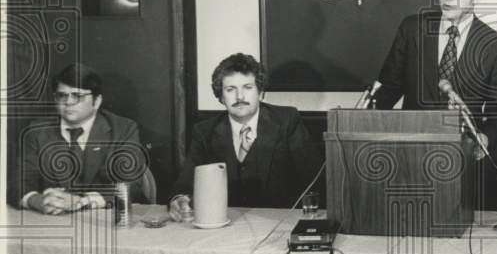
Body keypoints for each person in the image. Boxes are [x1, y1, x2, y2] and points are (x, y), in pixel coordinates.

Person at [373, 0, 497, 161]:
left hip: (461, 157)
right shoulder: (412, 29)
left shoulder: (494, 45)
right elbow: (387, 91)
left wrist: (485, 137)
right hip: (409, 153)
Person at [169, 53, 320, 215]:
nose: (239, 96)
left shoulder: (287, 121)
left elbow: (314, 181)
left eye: (247, 88)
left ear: (260, 92)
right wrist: (178, 199)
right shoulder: (204, 131)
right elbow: (186, 180)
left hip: (279, 223)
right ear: (220, 97)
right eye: (230, 89)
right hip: (226, 225)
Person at [16, 63, 148, 214]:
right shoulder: (36, 131)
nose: (68, 102)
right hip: (54, 220)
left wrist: (82, 201)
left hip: (106, 222)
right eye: (61, 95)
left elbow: (132, 185)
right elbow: (18, 182)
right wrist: (37, 200)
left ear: (96, 101)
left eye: (77, 96)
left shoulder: (123, 129)